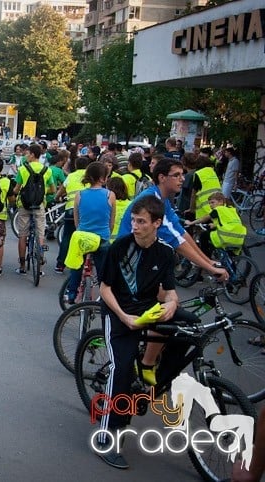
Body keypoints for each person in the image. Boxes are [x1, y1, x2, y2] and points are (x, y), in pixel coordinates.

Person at [95, 195, 180, 470]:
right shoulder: (118, 247)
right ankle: (107, 436)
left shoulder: (165, 252)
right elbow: (104, 289)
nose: (135, 225)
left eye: (141, 221)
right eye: (133, 220)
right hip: (118, 312)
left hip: (147, 310)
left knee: (190, 329)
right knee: (121, 370)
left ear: (157, 223)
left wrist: (171, 304)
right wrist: (123, 316)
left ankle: (152, 373)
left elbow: (169, 292)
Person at [117, 158, 229, 282]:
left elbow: (180, 231)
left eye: (182, 174)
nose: (182, 179)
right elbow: (175, 240)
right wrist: (210, 268)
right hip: (130, 259)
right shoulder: (152, 200)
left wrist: (208, 261)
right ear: (162, 178)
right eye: (176, 175)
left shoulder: (161, 198)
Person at [65, 162, 114, 303]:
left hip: (82, 237)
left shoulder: (79, 195)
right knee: (102, 272)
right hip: (101, 238)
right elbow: (111, 221)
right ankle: (105, 299)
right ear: (103, 178)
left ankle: (72, 294)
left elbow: (77, 221)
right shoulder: (110, 195)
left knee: (77, 266)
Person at [14, 143, 53, 275]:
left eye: (27, 154)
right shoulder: (47, 170)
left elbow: (17, 188)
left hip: (24, 205)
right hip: (39, 204)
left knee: (22, 235)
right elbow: (53, 189)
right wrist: (43, 191)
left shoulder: (23, 169)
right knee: (40, 234)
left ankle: (22, 266)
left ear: (32, 155)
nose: (26, 156)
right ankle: (40, 266)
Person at [54, 156, 89, 273]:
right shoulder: (90, 177)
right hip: (85, 211)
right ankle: (81, 264)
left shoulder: (70, 176)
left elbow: (61, 190)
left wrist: (57, 198)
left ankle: (60, 264)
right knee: (84, 237)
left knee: (67, 237)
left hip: (70, 210)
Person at [185, 191, 247, 258]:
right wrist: (215, 225)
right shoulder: (232, 209)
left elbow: (203, 219)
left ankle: (206, 259)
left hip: (226, 236)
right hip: (239, 236)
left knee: (203, 236)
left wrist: (191, 223)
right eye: (209, 203)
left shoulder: (217, 210)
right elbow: (228, 223)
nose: (210, 205)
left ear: (221, 202)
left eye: (212, 202)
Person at [189, 153, 222, 219]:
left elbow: (193, 194)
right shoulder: (212, 172)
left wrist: (191, 209)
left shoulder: (198, 174)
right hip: (217, 207)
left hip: (204, 210)